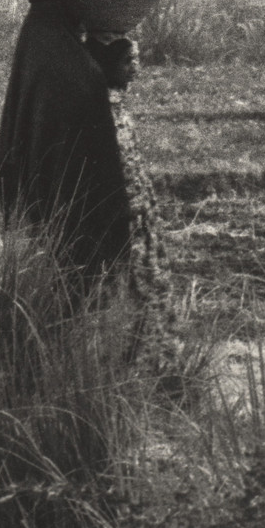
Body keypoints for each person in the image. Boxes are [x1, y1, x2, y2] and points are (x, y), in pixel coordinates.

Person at [0, 0, 134, 289]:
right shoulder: (81, 72)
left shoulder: (33, 47)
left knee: (45, 279)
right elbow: (103, 168)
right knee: (75, 284)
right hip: (76, 215)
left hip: (38, 207)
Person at [84, 31, 177, 364]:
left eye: (137, 58)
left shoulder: (113, 104)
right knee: (133, 288)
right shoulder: (106, 110)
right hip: (127, 217)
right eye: (128, 60)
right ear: (109, 66)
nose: (136, 67)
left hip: (135, 214)